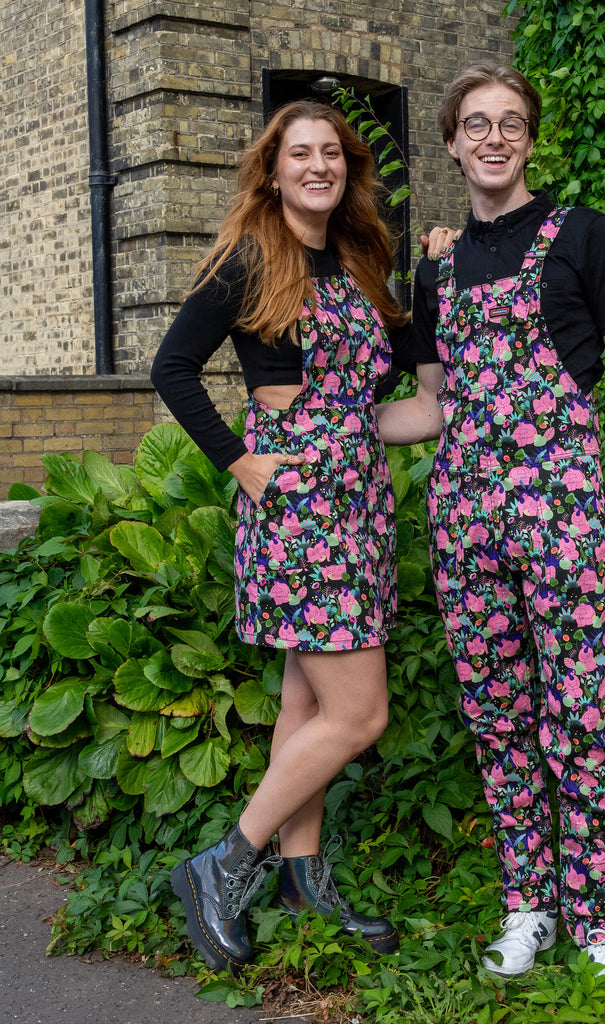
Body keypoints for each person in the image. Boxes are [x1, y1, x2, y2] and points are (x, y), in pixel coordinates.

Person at [376, 62, 605, 1021]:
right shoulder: (437, 267)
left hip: (563, 510)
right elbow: (430, 407)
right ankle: (527, 905)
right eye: (475, 124)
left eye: (509, 123)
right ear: (452, 142)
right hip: (462, 518)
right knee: (498, 721)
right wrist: (327, 425)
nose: (493, 138)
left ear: (527, 138)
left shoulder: (582, 235)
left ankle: (601, 927)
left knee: (577, 717)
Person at [152, 99, 424, 972]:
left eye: (332, 153)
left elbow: (408, 377)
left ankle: (303, 881)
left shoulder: (360, 254)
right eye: (299, 153)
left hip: (360, 495)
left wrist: (444, 267)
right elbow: (172, 367)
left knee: (307, 704)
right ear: (272, 171)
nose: (319, 165)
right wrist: (241, 462)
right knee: (361, 711)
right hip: (298, 500)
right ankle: (224, 862)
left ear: (348, 168)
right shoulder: (248, 257)